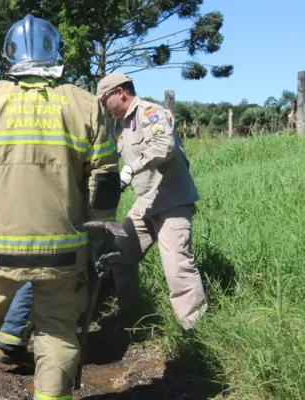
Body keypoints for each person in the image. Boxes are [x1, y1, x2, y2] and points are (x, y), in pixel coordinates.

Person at [0, 13, 120, 400]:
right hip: (65, 253)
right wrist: (99, 239)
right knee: (58, 331)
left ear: (9, 55)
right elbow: (105, 182)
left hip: (0, 251)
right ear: (56, 51)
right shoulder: (85, 105)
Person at [96, 71, 207, 331]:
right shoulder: (119, 125)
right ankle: (129, 315)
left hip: (171, 201)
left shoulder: (151, 113)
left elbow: (164, 145)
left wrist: (131, 168)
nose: (103, 106)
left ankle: (193, 330)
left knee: (177, 267)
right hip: (144, 202)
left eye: (104, 100)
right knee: (120, 256)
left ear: (119, 93)